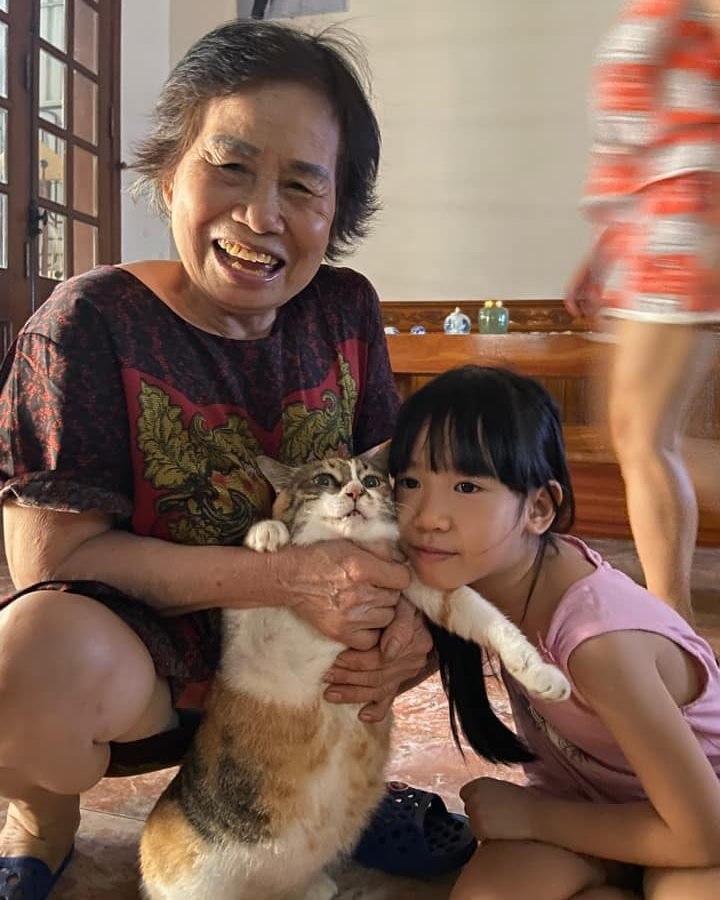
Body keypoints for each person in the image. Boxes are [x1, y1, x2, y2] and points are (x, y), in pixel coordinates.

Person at [0, 20, 434, 899]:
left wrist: (415, 627)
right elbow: (53, 561)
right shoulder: (88, 324)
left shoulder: (345, 310)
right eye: (230, 166)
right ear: (169, 174)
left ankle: (331, 791)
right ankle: (40, 815)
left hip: (310, 673)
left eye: (303, 185)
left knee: (488, 548)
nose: (262, 216)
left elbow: (410, 495)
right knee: (28, 661)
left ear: (336, 212)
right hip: (152, 669)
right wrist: (286, 579)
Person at [387, 365, 720, 900]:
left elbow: (703, 836)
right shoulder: (477, 580)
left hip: (696, 820)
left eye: (467, 486)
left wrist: (532, 815)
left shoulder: (599, 642)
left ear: (539, 508)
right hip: (590, 808)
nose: (427, 516)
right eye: (410, 482)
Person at [564, 0, 720, 623]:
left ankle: (671, 625)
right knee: (633, 434)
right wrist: (604, 250)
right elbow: (626, 144)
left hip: (687, 211)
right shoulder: (647, 9)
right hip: (647, 224)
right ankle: (671, 621)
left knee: (645, 438)